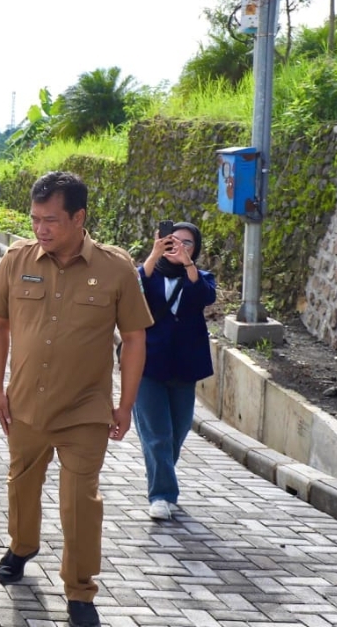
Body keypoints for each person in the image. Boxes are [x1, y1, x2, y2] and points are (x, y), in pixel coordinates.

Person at [0, 171, 153, 627]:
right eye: (37, 219)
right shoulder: (16, 261)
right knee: (21, 486)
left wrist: (126, 403)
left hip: (86, 410)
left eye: (51, 220)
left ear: (79, 217)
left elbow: (134, 338)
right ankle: (22, 546)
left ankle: (80, 591)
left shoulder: (115, 268)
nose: (41, 228)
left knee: (80, 501)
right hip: (27, 406)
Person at [134, 221, 216, 520]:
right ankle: (162, 494)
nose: (178, 246)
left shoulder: (201, 277)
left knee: (177, 432)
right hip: (148, 363)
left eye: (187, 243)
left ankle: (162, 483)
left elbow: (205, 297)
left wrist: (188, 264)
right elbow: (132, 289)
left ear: (196, 249)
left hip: (185, 364)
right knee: (158, 434)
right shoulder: (148, 274)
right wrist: (154, 255)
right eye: (172, 240)